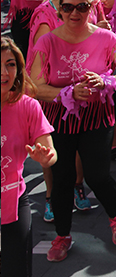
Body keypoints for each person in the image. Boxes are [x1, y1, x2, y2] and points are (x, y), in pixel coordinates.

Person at [29, 0, 116, 262]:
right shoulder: (47, 41)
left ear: (91, 7)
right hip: (60, 119)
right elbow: (35, 86)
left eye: (81, 6)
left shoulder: (106, 37)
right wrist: (66, 92)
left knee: (97, 174)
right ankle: (62, 236)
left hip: (96, 116)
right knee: (62, 177)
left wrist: (106, 80)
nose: (74, 13)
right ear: (59, 10)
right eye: (67, 7)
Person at [1, 37, 58, 277]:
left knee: (17, 270)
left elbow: (50, 152)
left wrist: (45, 158)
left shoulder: (28, 106)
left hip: (13, 198)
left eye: (10, 64)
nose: (4, 72)